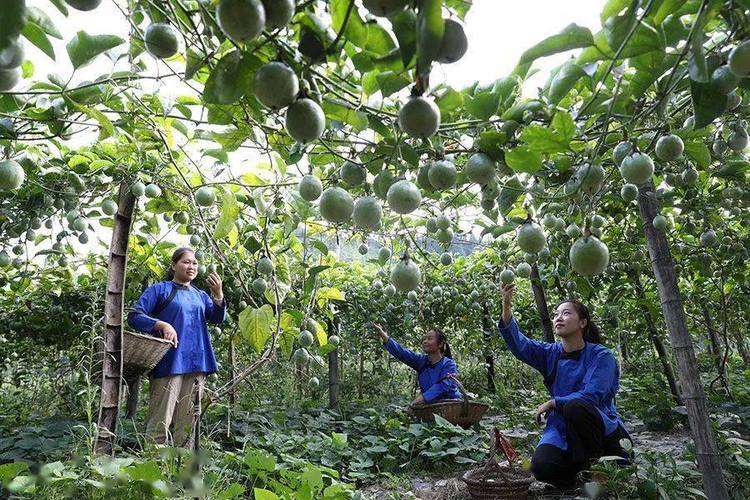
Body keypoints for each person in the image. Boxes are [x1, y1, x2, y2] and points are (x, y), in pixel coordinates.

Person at [497, 283, 631, 489]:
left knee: (575, 407)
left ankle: (597, 473)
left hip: (600, 429)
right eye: (555, 314)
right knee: (540, 468)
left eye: (566, 313)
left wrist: (554, 402)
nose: (558, 317)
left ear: (583, 322)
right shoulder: (550, 353)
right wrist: (506, 305)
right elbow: (520, 344)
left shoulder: (601, 355)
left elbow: (591, 396)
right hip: (561, 427)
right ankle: (578, 476)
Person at [127, 247, 226, 448]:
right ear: (173, 265)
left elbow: (217, 318)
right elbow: (134, 316)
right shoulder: (160, 289)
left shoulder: (200, 295)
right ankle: (154, 468)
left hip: (197, 362)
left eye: (195, 263)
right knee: (160, 420)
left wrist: (218, 295)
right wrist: (161, 324)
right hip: (169, 362)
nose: (191, 266)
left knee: (188, 425)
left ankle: (185, 470)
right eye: (186, 262)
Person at [373, 322, 461, 407]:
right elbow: (402, 353)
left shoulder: (449, 365)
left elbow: (442, 387)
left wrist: (417, 401)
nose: (425, 341)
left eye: (429, 339)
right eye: (424, 339)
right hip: (431, 407)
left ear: (440, 344)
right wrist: (382, 333)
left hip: (451, 406)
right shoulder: (421, 361)